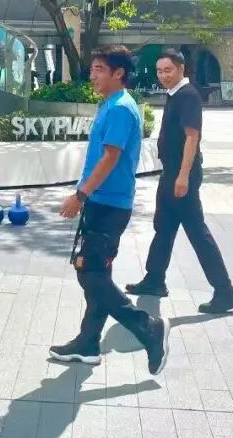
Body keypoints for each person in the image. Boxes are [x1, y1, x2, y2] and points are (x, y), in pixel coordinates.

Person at [49, 45, 170, 374]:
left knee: (89, 271)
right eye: (92, 69)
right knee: (97, 274)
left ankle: (147, 326)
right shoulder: (111, 104)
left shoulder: (119, 108)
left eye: (99, 69)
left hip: (108, 204)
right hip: (104, 202)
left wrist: (80, 195)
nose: (92, 75)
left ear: (119, 73)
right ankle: (88, 343)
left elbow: (110, 157)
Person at [126, 49, 233, 314]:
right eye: (159, 71)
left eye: (168, 70)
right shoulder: (175, 94)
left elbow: (192, 137)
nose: (163, 75)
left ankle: (225, 291)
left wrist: (182, 176)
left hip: (181, 175)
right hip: (171, 172)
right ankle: (154, 280)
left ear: (181, 69)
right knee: (164, 227)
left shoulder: (188, 95)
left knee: (197, 232)